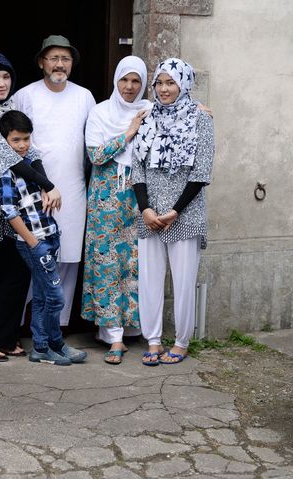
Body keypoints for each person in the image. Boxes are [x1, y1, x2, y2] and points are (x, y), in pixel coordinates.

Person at [0, 52, 60, 361]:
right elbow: (5, 156)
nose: (1, 83)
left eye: (5, 77)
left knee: (16, 272)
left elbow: (32, 149)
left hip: (13, 206)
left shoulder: (12, 108)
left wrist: (45, 183)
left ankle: (2, 336)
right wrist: (48, 185)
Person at [131, 58, 214, 366]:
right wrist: (146, 210)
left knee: (183, 280)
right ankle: (152, 339)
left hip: (186, 214)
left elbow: (202, 171)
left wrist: (175, 211)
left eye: (171, 83)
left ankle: (180, 341)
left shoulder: (200, 118)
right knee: (149, 280)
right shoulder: (147, 116)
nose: (164, 89)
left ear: (184, 84)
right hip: (150, 215)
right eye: (160, 83)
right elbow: (137, 167)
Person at [14, 35, 96, 328]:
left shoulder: (84, 96)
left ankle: (57, 326)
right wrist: (38, 183)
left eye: (66, 58)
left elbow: (103, 130)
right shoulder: (25, 95)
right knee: (35, 253)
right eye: (54, 58)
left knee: (68, 257)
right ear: (41, 62)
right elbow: (13, 138)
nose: (60, 64)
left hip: (72, 188)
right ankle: (26, 325)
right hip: (34, 188)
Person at [0, 110, 87, 366]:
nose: (22, 145)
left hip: (50, 237)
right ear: (4, 141)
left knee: (41, 295)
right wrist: (33, 242)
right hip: (33, 243)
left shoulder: (32, 166)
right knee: (55, 296)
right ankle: (51, 344)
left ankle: (43, 347)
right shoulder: (7, 173)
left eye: (26, 139)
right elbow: (9, 212)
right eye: (16, 140)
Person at [81, 56, 150, 364]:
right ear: (116, 80)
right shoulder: (100, 112)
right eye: (125, 80)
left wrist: (201, 108)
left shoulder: (150, 110)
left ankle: (130, 331)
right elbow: (95, 155)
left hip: (137, 198)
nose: (130, 87)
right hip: (105, 202)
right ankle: (114, 338)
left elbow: (178, 108)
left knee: (132, 264)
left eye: (136, 81)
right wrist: (129, 133)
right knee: (106, 264)